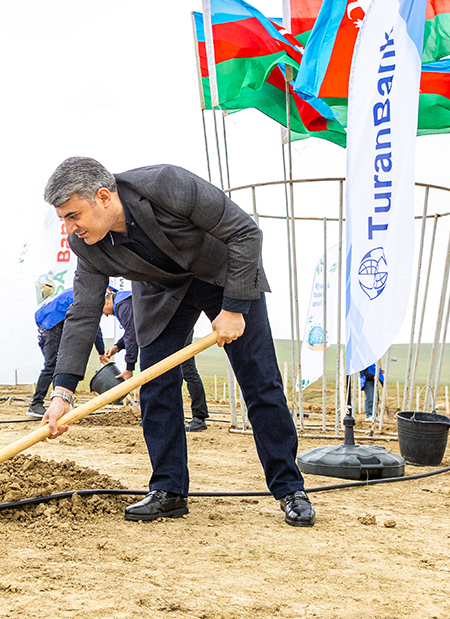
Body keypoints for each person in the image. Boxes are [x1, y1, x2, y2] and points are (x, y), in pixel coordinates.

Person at [41, 157, 314, 527]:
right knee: (156, 384)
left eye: (73, 216)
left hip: (223, 275)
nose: (70, 229)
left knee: (259, 380)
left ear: (103, 197)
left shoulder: (167, 185)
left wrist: (234, 308)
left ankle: (289, 489)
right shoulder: (85, 245)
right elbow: (84, 311)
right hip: (160, 292)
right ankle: (168, 490)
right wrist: (62, 392)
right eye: (63, 219)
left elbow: (245, 233)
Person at [103, 285, 209, 431]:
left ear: (107, 302)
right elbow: (134, 330)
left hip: (176, 326)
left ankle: (199, 418)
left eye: (103, 311)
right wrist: (118, 346)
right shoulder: (125, 301)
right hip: (165, 329)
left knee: (187, 370)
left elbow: (132, 334)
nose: (106, 315)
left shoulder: (122, 305)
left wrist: (129, 368)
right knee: (159, 373)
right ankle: (159, 417)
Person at [28, 285, 106, 418]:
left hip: (48, 326)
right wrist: (101, 352)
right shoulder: (88, 298)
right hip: (52, 327)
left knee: (56, 366)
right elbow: (94, 328)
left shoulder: (77, 291)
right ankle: (36, 404)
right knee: (52, 366)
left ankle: (57, 404)